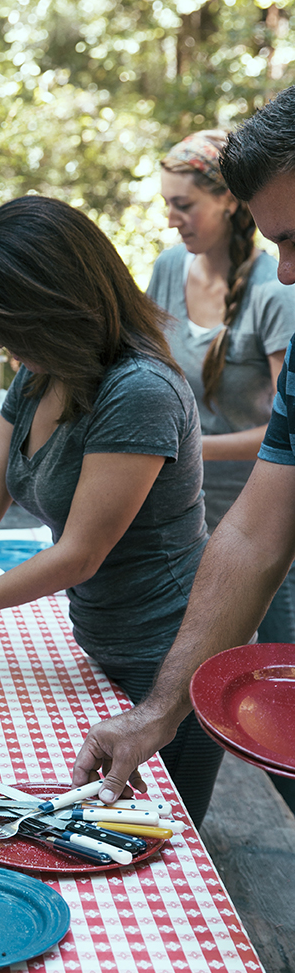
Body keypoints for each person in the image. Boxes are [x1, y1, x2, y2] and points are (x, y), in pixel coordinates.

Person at [0, 195, 223, 825]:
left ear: (56, 306)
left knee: (151, 839)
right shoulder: (40, 373)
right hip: (104, 640)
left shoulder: (140, 390)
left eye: (5, 323)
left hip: (171, 657)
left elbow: (78, 556)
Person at [72, 84, 295, 806]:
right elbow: (254, 535)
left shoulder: (271, 298)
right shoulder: (174, 270)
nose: (287, 271)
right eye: (276, 245)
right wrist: (159, 712)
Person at [148, 129, 295, 642]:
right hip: (182, 517)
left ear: (229, 201)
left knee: (267, 656)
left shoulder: (274, 290)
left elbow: (283, 431)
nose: (172, 219)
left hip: (259, 522)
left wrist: (185, 446)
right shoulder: (169, 269)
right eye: (168, 204)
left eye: (184, 204)